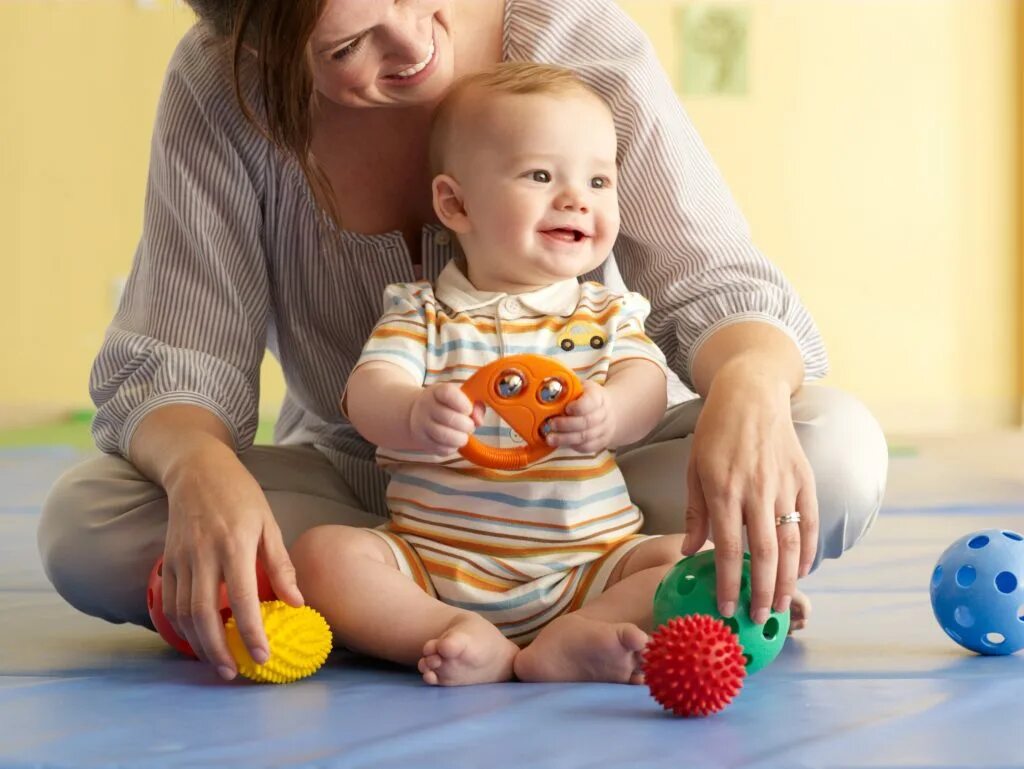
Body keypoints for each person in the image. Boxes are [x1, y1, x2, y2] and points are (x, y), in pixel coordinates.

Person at [38, 0, 888, 684]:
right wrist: (201, 471)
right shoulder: (223, 88)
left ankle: (489, 613)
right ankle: (486, 607)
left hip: (593, 490)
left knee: (834, 450)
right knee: (87, 527)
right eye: (349, 45)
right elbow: (180, 354)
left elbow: (714, 282)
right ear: (259, 49)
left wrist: (745, 386)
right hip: (366, 492)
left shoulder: (569, 33)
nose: (412, 43)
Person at [291, 62, 681, 685]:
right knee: (321, 557)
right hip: (433, 565)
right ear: (456, 203)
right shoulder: (423, 312)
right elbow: (369, 393)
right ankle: (445, 634)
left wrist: (612, 411)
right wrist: (414, 412)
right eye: (540, 175)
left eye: (600, 180)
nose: (578, 197)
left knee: (698, 562)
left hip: (591, 565)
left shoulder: (603, 313)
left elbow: (647, 384)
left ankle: (574, 635)